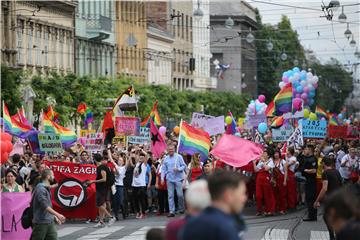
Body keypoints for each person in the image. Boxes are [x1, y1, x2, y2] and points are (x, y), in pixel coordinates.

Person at [180, 170, 247, 240]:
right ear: (228, 195)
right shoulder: (226, 227)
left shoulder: (191, 224)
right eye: (242, 193)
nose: (244, 198)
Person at [31, 169, 65, 240]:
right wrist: (57, 215)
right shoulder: (41, 189)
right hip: (41, 223)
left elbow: (48, 206)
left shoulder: (45, 188)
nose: (54, 177)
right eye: (52, 175)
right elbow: (45, 206)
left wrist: (54, 216)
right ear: (48, 176)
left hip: (49, 221)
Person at [313, 156, 343, 240]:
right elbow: (341, 185)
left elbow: (324, 188)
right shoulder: (337, 171)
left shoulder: (325, 173)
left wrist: (317, 201)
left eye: (321, 163)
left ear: (323, 163)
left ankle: (332, 237)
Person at [87, 153, 115, 227]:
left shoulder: (101, 167)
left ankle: (111, 217)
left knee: (99, 205)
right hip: (102, 188)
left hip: (102, 189)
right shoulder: (100, 167)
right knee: (102, 204)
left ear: (95, 159)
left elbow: (104, 179)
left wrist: (93, 181)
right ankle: (101, 221)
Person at [161, 145, 186, 217]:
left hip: (178, 178)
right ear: (167, 150)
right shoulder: (166, 158)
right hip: (169, 179)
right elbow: (163, 169)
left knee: (180, 195)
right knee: (170, 196)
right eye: (169, 150)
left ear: (174, 149)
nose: (170, 151)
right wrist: (162, 178)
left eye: (172, 149)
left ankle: (181, 208)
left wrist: (178, 169)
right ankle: (172, 211)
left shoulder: (179, 157)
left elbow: (184, 166)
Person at [253, 151, 275, 216]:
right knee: (258, 195)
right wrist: (254, 163)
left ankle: (269, 211)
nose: (263, 154)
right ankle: (259, 210)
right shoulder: (260, 161)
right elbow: (256, 170)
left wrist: (263, 161)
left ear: (268, 156)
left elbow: (266, 168)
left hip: (266, 178)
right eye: (263, 153)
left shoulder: (271, 161)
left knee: (267, 195)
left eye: (265, 154)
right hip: (259, 179)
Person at [302, 145, 318, 221]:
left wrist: (305, 170)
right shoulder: (306, 158)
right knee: (308, 198)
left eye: (306, 149)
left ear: (310, 150)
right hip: (307, 180)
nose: (305, 151)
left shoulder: (313, 159)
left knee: (311, 198)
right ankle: (311, 214)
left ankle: (312, 216)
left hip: (311, 181)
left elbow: (314, 170)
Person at [132, 150, 149, 219]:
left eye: (142, 158)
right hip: (134, 184)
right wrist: (136, 150)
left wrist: (142, 150)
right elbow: (136, 156)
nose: (140, 159)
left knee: (141, 200)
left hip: (141, 185)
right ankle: (138, 212)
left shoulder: (144, 165)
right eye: (140, 157)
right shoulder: (136, 164)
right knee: (135, 200)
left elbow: (147, 156)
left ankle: (143, 213)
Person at [272, 150, 287, 214]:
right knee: (274, 195)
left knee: (282, 195)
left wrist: (285, 181)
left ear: (279, 154)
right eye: (275, 153)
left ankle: (282, 209)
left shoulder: (283, 161)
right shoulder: (271, 161)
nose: (276, 155)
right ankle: (276, 208)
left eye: (277, 153)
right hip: (274, 180)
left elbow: (286, 172)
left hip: (281, 179)